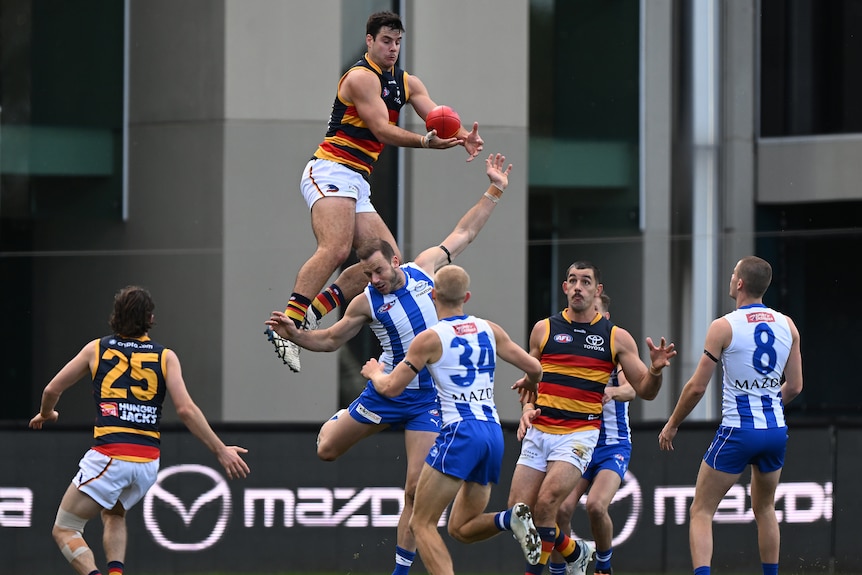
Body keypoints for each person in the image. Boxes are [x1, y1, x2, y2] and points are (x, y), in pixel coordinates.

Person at [265, 153, 511, 575]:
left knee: (415, 490)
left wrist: (494, 189)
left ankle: (400, 571)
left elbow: (465, 231)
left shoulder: (425, 269)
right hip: (385, 390)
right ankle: (346, 417)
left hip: (427, 399)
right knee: (326, 450)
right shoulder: (366, 302)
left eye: (378, 271)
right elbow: (329, 339)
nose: (374, 280)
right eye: (367, 274)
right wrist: (296, 336)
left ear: (395, 262)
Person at [267, 10, 484, 372]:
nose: (393, 48)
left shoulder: (407, 81)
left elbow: (437, 116)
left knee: (388, 261)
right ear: (369, 41)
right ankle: (287, 321)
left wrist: (462, 136)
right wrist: (426, 143)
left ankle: (311, 314)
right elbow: (382, 129)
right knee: (335, 248)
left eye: (398, 42)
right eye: (386, 41)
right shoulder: (360, 78)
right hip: (330, 167)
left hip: (357, 180)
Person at [29, 286, 250, 575]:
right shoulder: (165, 356)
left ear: (115, 316)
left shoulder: (96, 349)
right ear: (150, 318)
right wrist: (220, 450)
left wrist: (47, 413)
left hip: (110, 456)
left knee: (65, 529)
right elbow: (186, 409)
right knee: (115, 513)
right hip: (147, 463)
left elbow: (51, 389)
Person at [360, 264, 544, 575]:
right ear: (467, 297)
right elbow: (535, 368)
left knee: (421, 522)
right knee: (460, 528)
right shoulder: (489, 328)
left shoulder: (430, 338)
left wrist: (375, 372)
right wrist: (530, 383)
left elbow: (391, 388)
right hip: (492, 434)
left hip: (460, 433)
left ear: (432, 295)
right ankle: (509, 519)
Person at [512, 261, 677, 575]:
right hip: (545, 432)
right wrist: (525, 410)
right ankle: (575, 556)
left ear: (597, 291)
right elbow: (531, 381)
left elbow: (643, 390)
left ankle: (601, 564)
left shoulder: (615, 338)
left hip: (595, 438)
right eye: (572, 281)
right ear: (565, 287)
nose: (578, 287)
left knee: (588, 505)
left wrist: (654, 370)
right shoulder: (543, 329)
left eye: (585, 282)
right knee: (527, 513)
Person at [658, 256, 803, 575]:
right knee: (765, 508)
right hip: (775, 430)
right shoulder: (787, 325)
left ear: (739, 283)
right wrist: (765, 401)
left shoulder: (724, 326)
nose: (730, 276)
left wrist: (672, 424)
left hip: (739, 431)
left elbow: (697, 387)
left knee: (701, 510)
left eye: (733, 272)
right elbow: (794, 387)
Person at [549, 293, 635, 575]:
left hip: (612, 445)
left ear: (604, 317)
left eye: (594, 312)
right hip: (578, 440)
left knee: (597, 506)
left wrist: (611, 391)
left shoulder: (614, 347)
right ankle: (562, 570)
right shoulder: (573, 347)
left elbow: (632, 389)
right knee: (559, 509)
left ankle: (604, 567)